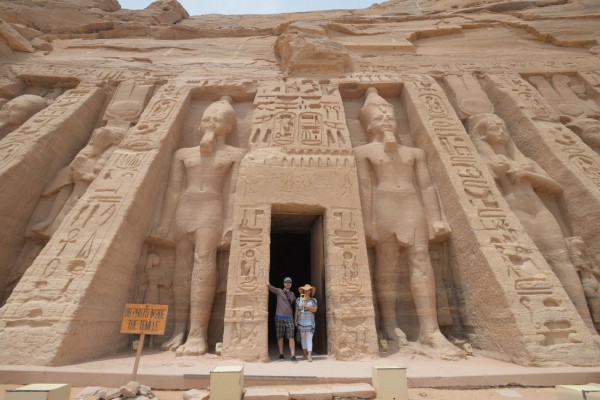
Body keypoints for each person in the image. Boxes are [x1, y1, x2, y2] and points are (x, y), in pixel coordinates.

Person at [354, 87, 464, 359]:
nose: (386, 119)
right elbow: (365, 187)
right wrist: (367, 222)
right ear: (369, 125)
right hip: (383, 206)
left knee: (421, 260)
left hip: (412, 205)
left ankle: (430, 330)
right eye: (379, 117)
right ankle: (390, 326)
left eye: (389, 115)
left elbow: (426, 186)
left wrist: (435, 217)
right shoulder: (363, 151)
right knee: (387, 265)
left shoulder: (415, 153)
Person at [468, 113, 596, 332]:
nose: (501, 130)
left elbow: (554, 187)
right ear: (483, 134)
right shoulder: (482, 159)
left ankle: (587, 325)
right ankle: (556, 323)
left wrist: (528, 175)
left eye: (503, 125)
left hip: (540, 212)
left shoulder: (525, 161)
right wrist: (494, 172)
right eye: (495, 127)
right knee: (531, 264)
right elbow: (476, 187)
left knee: (562, 262)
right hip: (514, 213)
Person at [149, 96, 245, 356]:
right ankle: (178, 329)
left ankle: (197, 333)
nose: (211, 123)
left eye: (218, 120)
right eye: (207, 119)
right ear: (200, 124)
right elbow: (173, 190)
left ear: (228, 127)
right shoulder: (183, 154)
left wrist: (230, 223)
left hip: (211, 208)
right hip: (185, 209)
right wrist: (165, 223)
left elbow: (233, 192)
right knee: (181, 268)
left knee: (204, 262)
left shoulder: (235, 154)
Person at [31, 126, 125, 238]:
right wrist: (77, 170)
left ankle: (53, 226)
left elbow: (106, 176)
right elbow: (78, 165)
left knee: (72, 204)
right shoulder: (90, 151)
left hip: (88, 186)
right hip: (78, 180)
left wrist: (83, 175)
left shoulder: (110, 153)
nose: (97, 143)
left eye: (102, 141)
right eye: (96, 140)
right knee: (65, 180)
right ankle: (50, 220)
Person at [266, 276, 297, 362]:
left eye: (289, 283)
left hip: (289, 318)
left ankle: (293, 355)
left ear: (291, 284)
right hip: (279, 316)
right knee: (280, 337)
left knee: (291, 337)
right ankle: (281, 354)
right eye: (286, 282)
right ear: (284, 283)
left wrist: (296, 318)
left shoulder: (292, 294)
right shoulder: (279, 291)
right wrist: (263, 274)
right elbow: (268, 285)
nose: (288, 284)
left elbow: (297, 305)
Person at [295, 283, 318, 362]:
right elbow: (297, 310)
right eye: (305, 290)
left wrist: (306, 306)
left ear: (310, 291)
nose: (307, 291)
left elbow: (315, 310)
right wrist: (295, 320)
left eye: (308, 290)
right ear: (303, 291)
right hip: (301, 321)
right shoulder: (299, 300)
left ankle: (309, 355)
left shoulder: (313, 300)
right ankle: (305, 354)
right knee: (303, 339)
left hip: (310, 322)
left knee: (309, 339)